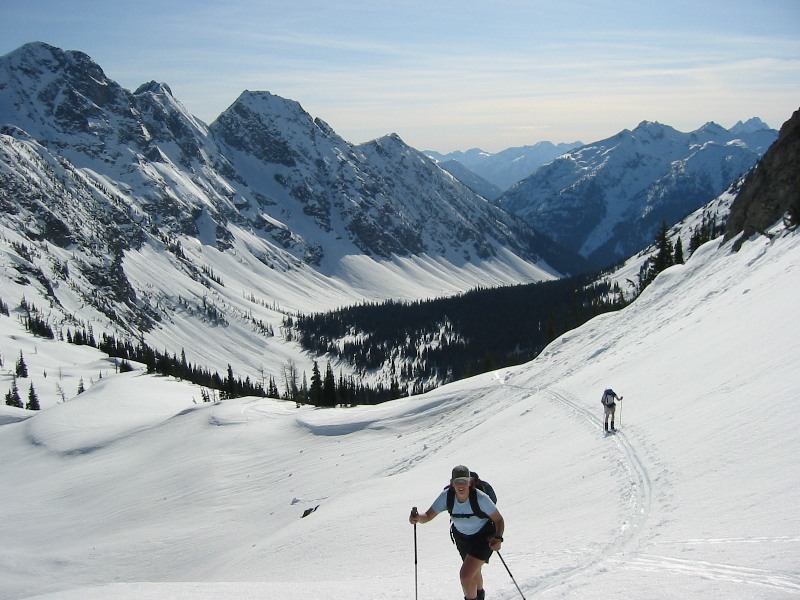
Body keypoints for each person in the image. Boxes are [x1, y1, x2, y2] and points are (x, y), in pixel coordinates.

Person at [409, 465, 504, 600]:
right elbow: (428, 516)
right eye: (457, 481)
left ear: (470, 482)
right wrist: (418, 518)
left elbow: (499, 520)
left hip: (483, 537)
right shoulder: (446, 497)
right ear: (452, 483)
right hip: (462, 538)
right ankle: (480, 595)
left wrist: (498, 538)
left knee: (465, 575)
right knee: (473, 572)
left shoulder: (480, 498)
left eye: (464, 481)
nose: (461, 485)